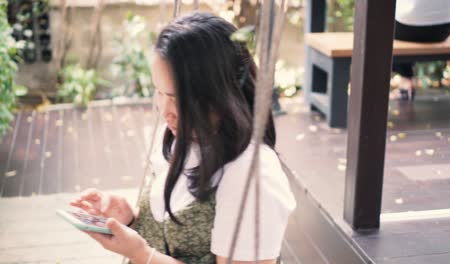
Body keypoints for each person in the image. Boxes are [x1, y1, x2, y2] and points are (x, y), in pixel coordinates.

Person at [70, 12, 296, 264]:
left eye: (177, 97)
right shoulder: (176, 138)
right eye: (158, 92)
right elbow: (170, 240)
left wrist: (141, 255)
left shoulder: (251, 176)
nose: (164, 111)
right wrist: (131, 218)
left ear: (219, 93)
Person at [391, 0, 450, 100]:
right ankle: (405, 80)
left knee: (384, 19)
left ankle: (405, 80)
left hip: (404, 28)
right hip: (443, 29)